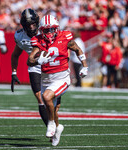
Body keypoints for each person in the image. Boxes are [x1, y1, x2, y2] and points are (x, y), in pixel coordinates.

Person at [27, 15, 88, 146]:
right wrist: (38, 60)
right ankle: (58, 128)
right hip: (46, 79)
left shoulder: (65, 37)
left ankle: (50, 124)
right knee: (53, 110)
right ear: (41, 30)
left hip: (62, 78)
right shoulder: (37, 40)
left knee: (46, 97)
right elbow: (30, 60)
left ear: (57, 29)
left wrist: (85, 66)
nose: (49, 33)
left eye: (51, 29)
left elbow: (78, 49)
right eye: (46, 30)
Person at [11, 8, 59, 127]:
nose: (31, 27)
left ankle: (54, 123)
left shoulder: (45, 30)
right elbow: (15, 55)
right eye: (28, 25)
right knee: (40, 98)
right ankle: (50, 128)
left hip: (51, 67)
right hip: (35, 68)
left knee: (55, 104)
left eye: (33, 24)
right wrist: (14, 72)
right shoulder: (20, 36)